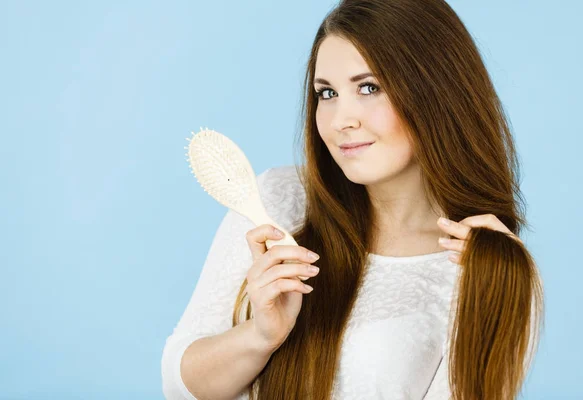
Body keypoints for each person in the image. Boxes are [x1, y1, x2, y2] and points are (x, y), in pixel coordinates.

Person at [162, 0, 545, 399]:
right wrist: (260, 335)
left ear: (437, 92)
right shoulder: (277, 202)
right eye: (326, 93)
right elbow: (179, 384)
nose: (340, 120)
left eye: (369, 88)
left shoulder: (489, 265)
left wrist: (497, 280)